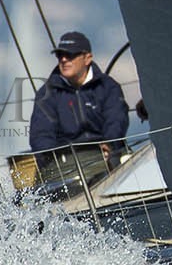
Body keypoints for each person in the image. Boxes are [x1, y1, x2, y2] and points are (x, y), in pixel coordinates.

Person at [28, 30, 130, 166]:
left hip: (108, 157)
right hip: (67, 164)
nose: (64, 60)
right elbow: (41, 134)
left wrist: (110, 144)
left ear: (87, 58)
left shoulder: (108, 87)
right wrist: (50, 162)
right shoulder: (47, 95)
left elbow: (116, 119)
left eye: (70, 55)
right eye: (60, 55)